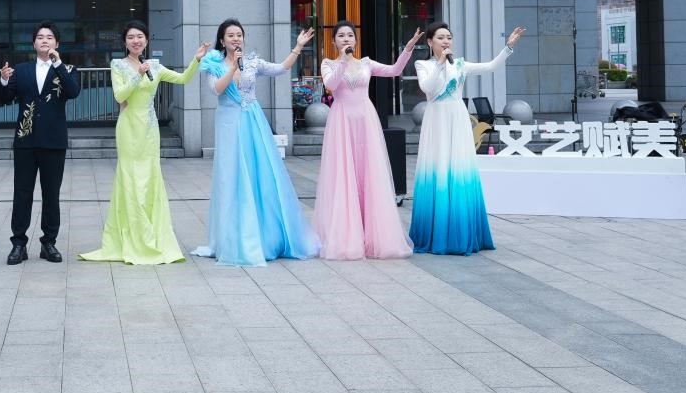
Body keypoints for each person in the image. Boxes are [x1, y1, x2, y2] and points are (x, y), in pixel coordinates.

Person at [80, 21, 210, 265]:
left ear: (147, 40)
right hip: (128, 128)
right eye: (131, 37)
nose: (136, 41)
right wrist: (137, 76)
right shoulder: (117, 65)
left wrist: (197, 59)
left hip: (149, 130)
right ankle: (132, 237)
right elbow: (119, 95)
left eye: (140, 36)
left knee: (149, 178)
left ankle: (151, 235)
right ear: (125, 42)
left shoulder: (155, 66)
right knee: (130, 179)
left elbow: (183, 79)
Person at [193, 20, 319, 266]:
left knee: (258, 174)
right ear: (222, 40)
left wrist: (298, 47)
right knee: (230, 176)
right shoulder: (213, 64)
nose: (236, 39)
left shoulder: (253, 62)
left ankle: (263, 235)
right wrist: (232, 67)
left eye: (239, 35)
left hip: (252, 121)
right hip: (228, 123)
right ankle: (232, 238)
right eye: (231, 35)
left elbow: (281, 68)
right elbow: (217, 90)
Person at [410, 21, 526, 255]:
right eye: (441, 37)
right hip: (436, 121)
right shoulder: (423, 64)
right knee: (437, 168)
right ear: (430, 42)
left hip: (457, 119)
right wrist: (441, 63)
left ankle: (460, 231)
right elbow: (428, 88)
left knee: (458, 169)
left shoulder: (461, 65)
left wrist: (508, 47)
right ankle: (435, 233)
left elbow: (490, 67)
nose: (446, 41)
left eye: (449, 37)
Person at [313, 21, 423, 260]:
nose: (346, 39)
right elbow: (331, 85)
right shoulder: (328, 63)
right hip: (342, 121)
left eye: (350, 35)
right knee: (345, 174)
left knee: (368, 173)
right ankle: (347, 237)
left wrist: (408, 48)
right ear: (333, 41)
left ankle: (374, 236)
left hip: (365, 120)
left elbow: (394, 70)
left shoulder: (367, 63)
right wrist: (343, 61)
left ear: (356, 40)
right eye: (341, 36)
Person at [0, 22, 82, 265]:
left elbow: (73, 92)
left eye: (50, 37)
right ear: (33, 43)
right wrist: (3, 81)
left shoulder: (67, 69)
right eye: (40, 37)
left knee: (51, 193)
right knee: (22, 193)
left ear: (57, 43)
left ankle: (49, 243)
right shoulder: (21, 70)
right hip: (25, 139)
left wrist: (58, 64)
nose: (45, 40)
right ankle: (19, 244)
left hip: (54, 141)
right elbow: (4, 98)